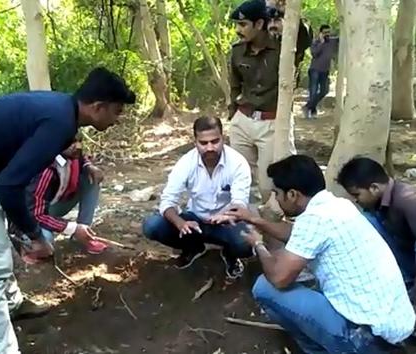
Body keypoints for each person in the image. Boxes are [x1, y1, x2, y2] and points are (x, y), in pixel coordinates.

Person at [0, 67, 135, 353]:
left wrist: (24, 230)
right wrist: (35, 235)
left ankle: (13, 302)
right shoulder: (59, 122)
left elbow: (15, 176)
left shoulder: (62, 112)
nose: (118, 119)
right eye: (117, 111)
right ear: (98, 107)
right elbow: (8, 186)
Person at [219, 155, 415, 352]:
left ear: (293, 194)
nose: (276, 200)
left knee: (264, 287)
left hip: (365, 337)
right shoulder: (338, 205)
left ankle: (321, 349)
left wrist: (259, 245)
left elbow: (279, 279)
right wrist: (255, 220)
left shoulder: (314, 219)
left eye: (277, 193)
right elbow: (296, 234)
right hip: (394, 326)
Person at [338, 157, 416, 341]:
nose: (356, 201)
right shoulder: (381, 202)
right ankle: (413, 290)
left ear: (374, 188)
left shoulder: (410, 201)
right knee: (368, 223)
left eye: (357, 195)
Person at [142, 116, 253, 281]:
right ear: (195, 142)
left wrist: (227, 216)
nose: (210, 148)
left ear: (223, 138)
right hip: (195, 222)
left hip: (227, 222)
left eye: (215, 141)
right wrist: (181, 223)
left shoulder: (238, 163)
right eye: (203, 143)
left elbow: (240, 203)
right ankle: (193, 248)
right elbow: (167, 201)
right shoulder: (186, 163)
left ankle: (230, 255)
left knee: (247, 242)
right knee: (152, 225)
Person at [228, 0, 295, 203]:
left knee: (270, 186)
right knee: (238, 181)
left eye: (243, 25)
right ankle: (240, 227)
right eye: (237, 25)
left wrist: (284, 10)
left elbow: (303, 36)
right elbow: (234, 85)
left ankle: (271, 225)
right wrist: (234, 115)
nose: (239, 30)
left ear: (259, 24)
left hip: (272, 124)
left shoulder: (284, 47)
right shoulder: (237, 51)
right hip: (243, 122)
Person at [16, 136, 108, 261]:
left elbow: (81, 158)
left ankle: (84, 234)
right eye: (71, 143)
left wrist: (88, 166)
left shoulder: (71, 155)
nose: (77, 147)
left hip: (55, 203)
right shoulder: (46, 168)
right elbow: (35, 215)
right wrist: (72, 228)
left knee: (91, 179)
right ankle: (20, 244)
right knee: (44, 245)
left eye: (79, 142)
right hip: (34, 215)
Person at [303, 24, 338, 119]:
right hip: (315, 70)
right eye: (325, 32)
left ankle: (308, 107)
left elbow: (342, 38)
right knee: (313, 92)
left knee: (324, 90)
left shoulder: (333, 41)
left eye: (328, 32)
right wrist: (321, 43)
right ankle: (312, 111)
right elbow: (314, 53)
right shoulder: (315, 42)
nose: (327, 34)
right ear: (321, 33)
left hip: (325, 70)